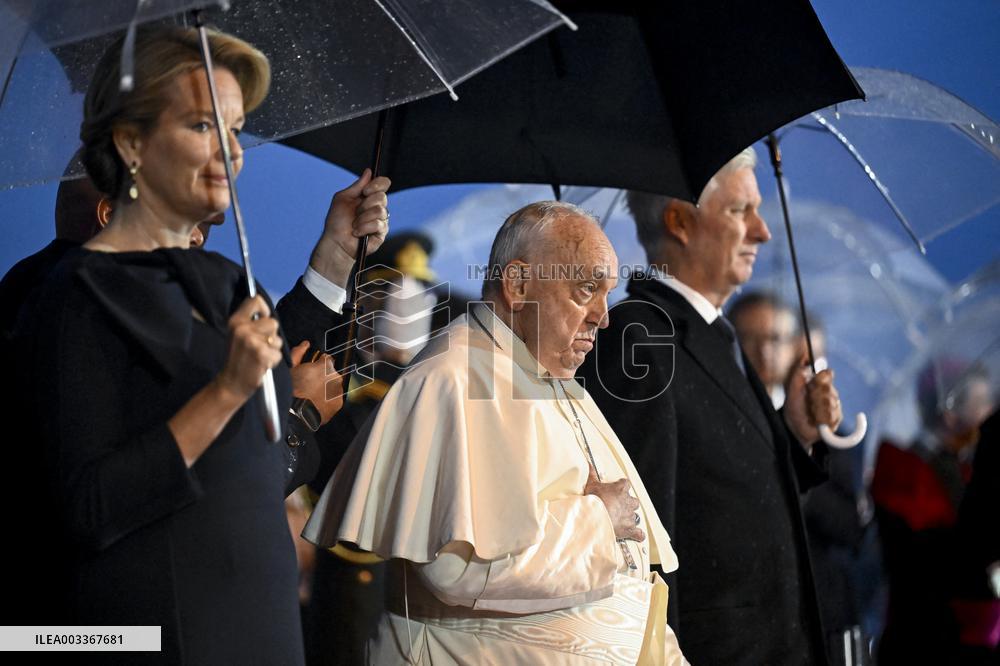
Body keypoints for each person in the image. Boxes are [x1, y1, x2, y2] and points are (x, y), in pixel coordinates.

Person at [14, 26, 388, 662]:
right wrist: (227, 393)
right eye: (202, 126)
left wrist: (334, 257)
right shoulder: (69, 296)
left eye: (236, 129)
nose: (231, 153)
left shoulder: (228, 282)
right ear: (131, 142)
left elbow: (257, 461)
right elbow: (90, 507)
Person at [303, 201, 687, 665]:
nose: (602, 317)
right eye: (587, 290)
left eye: (606, 293)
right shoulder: (455, 378)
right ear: (519, 284)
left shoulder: (548, 374)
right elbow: (458, 566)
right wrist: (600, 522)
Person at [578, 147, 843, 665]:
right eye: (740, 211)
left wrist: (796, 434)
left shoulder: (710, 334)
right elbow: (638, 545)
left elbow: (732, 498)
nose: (762, 231)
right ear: (680, 221)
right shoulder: (641, 338)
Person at [871, 360, 996, 664]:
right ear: (950, 412)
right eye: (979, 403)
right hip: (928, 634)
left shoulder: (962, 464)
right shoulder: (904, 469)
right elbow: (935, 556)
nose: (988, 412)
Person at [729, 290, 800, 408]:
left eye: (775, 339)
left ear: (794, 346)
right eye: (750, 339)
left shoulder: (801, 412)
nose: (764, 351)